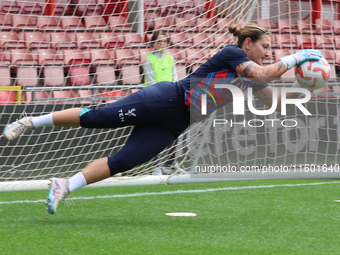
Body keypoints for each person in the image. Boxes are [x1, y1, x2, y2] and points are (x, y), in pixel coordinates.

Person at [3, 23, 322, 214]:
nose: (268, 52)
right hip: (164, 99)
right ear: (248, 44)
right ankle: (31, 121)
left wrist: (304, 86)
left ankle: (63, 185)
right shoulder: (231, 53)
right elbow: (266, 70)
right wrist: (297, 58)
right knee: (98, 117)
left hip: (176, 122)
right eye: (265, 46)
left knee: (125, 162)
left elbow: (276, 100)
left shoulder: (255, 79)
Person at [143, 30, 185, 175]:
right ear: (153, 43)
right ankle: (156, 166)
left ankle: (171, 163)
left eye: (164, 41)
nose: (162, 44)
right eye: (159, 41)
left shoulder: (170, 58)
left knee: (175, 132)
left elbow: (175, 79)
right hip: (155, 100)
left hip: (170, 100)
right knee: (156, 134)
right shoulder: (149, 59)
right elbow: (151, 81)